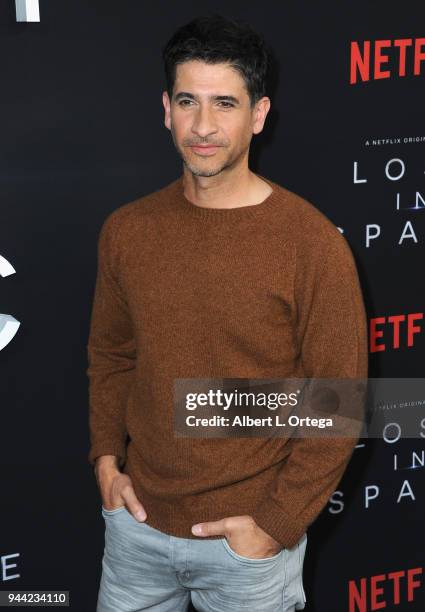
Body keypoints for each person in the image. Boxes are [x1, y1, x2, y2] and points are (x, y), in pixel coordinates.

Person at [86, 13, 368, 612]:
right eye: (189, 101)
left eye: (226, 104)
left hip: (247, 553)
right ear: (166, 108)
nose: (204, 127)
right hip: (135, 531)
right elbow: (112, 355)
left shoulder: (310, 244)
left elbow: (338, 399)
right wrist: (107, 463)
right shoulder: (127, 231)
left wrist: (272, 525)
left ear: (259, 114)